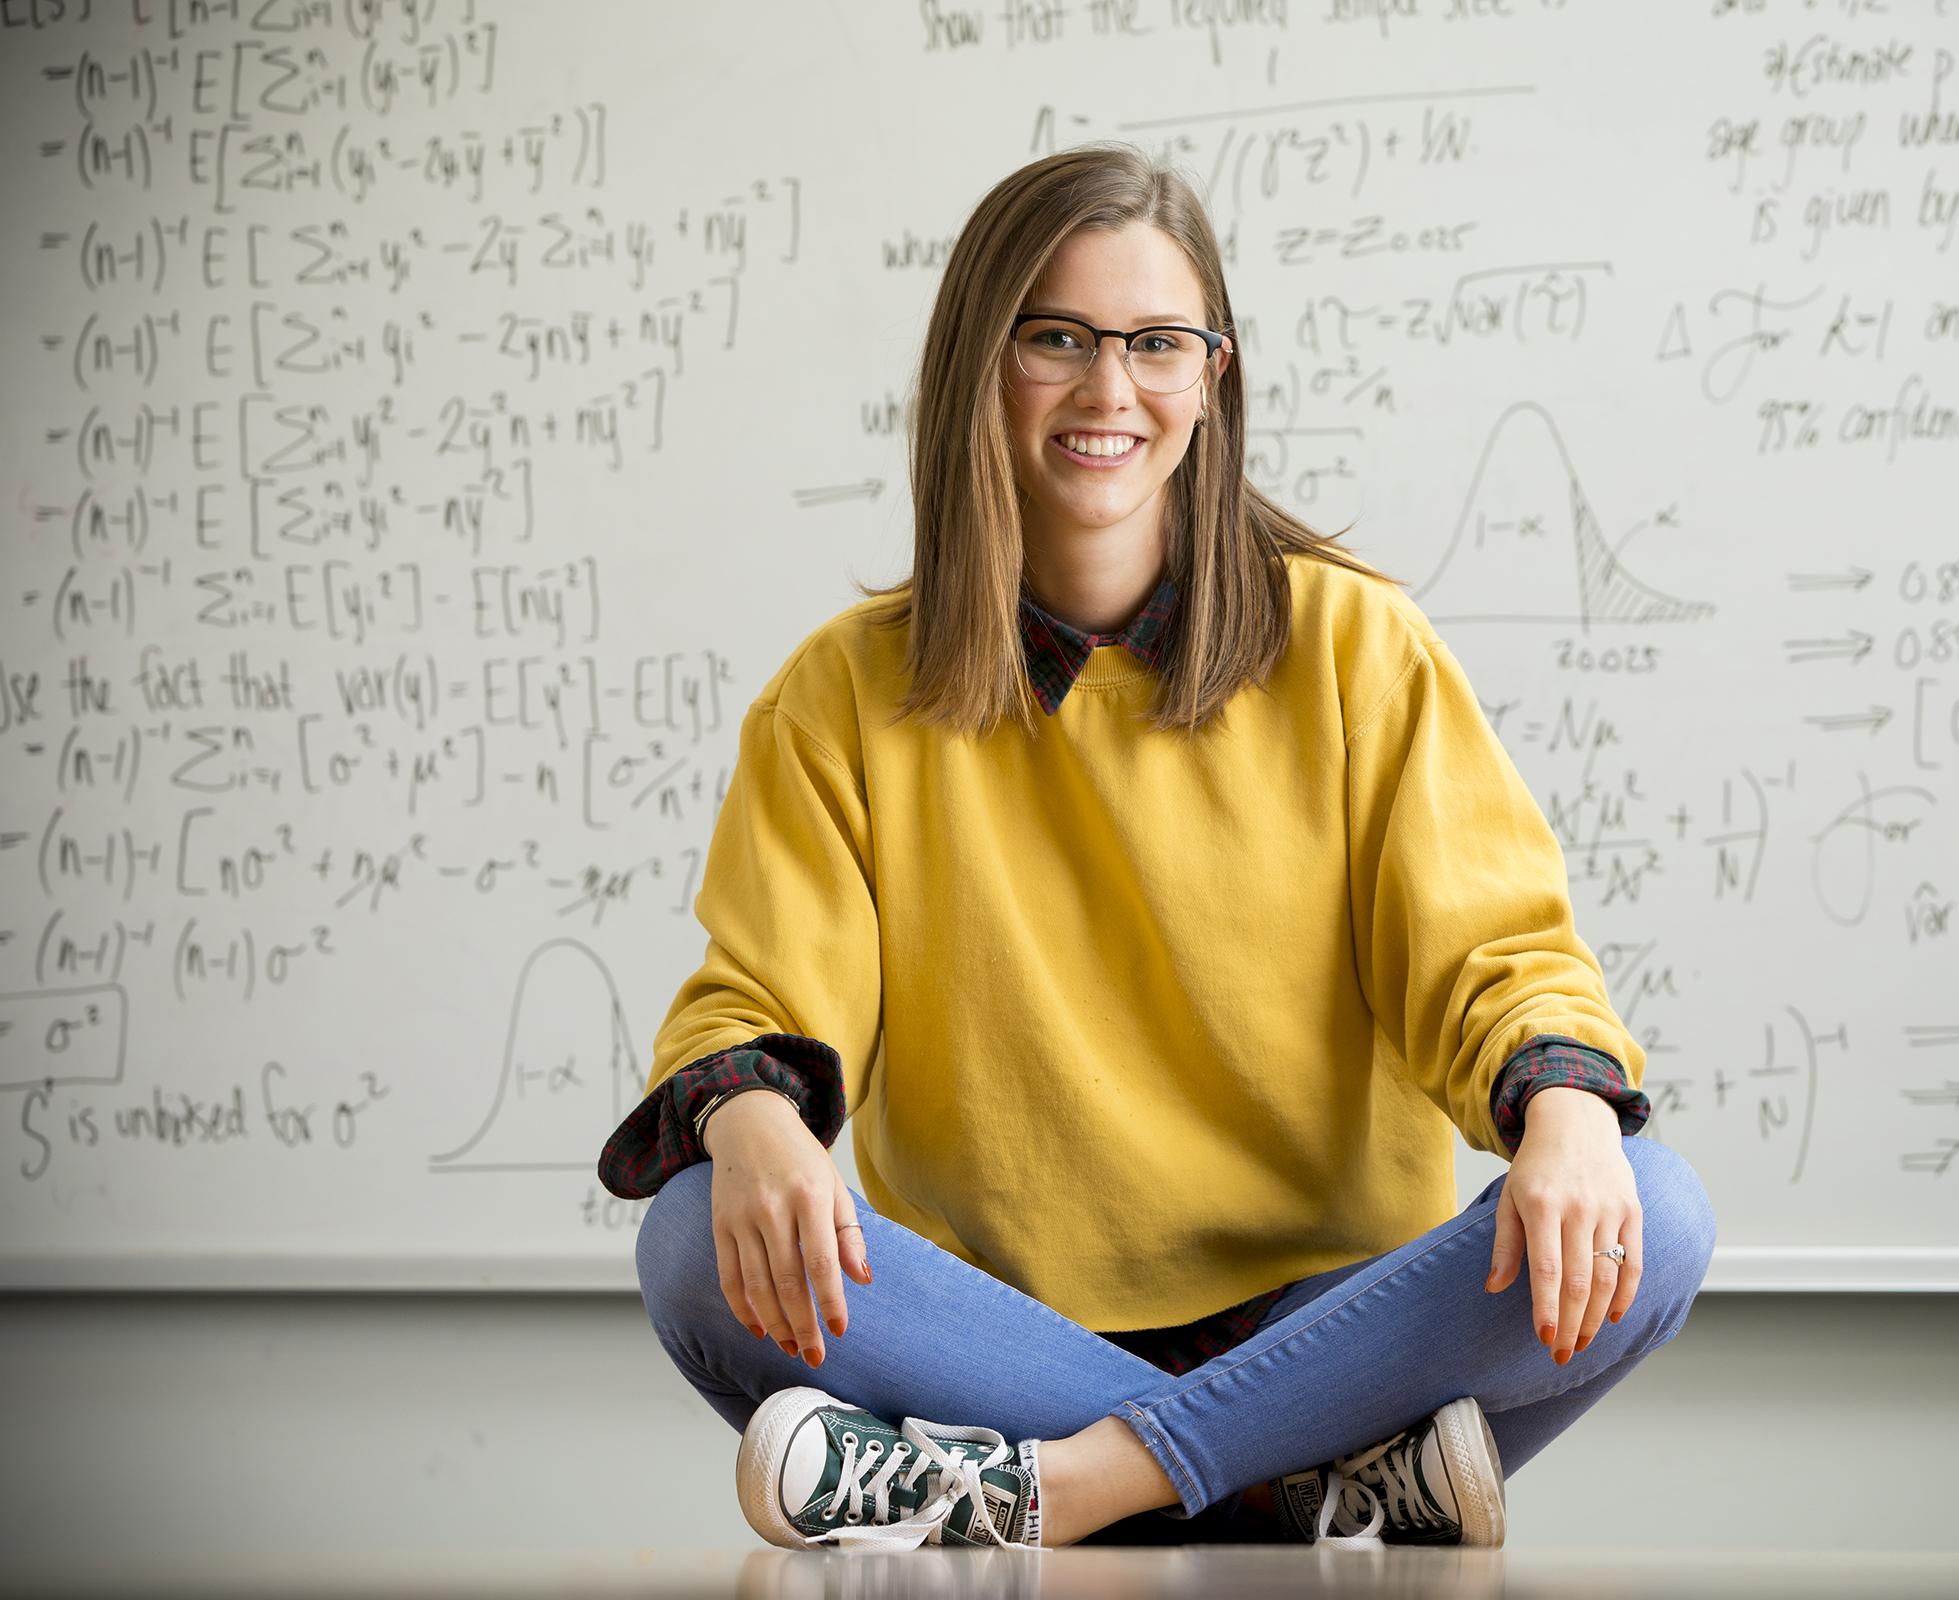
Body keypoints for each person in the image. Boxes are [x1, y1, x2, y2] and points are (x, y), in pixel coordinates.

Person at [598, 142, 1715, 1554]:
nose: (1109, 389)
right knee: (694, 1242)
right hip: (995, 1341)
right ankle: (1290, 1486)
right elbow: (758, 998)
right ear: (976, 365)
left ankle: (1052, 1494)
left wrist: (1561, 1117)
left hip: (1333, 1322)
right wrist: (753, 1124)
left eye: (1156, 344)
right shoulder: (840, 695)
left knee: (1654, 1211)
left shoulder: (1359, 648)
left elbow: (1500, 958)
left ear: (1214, 373)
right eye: (1055, 339)